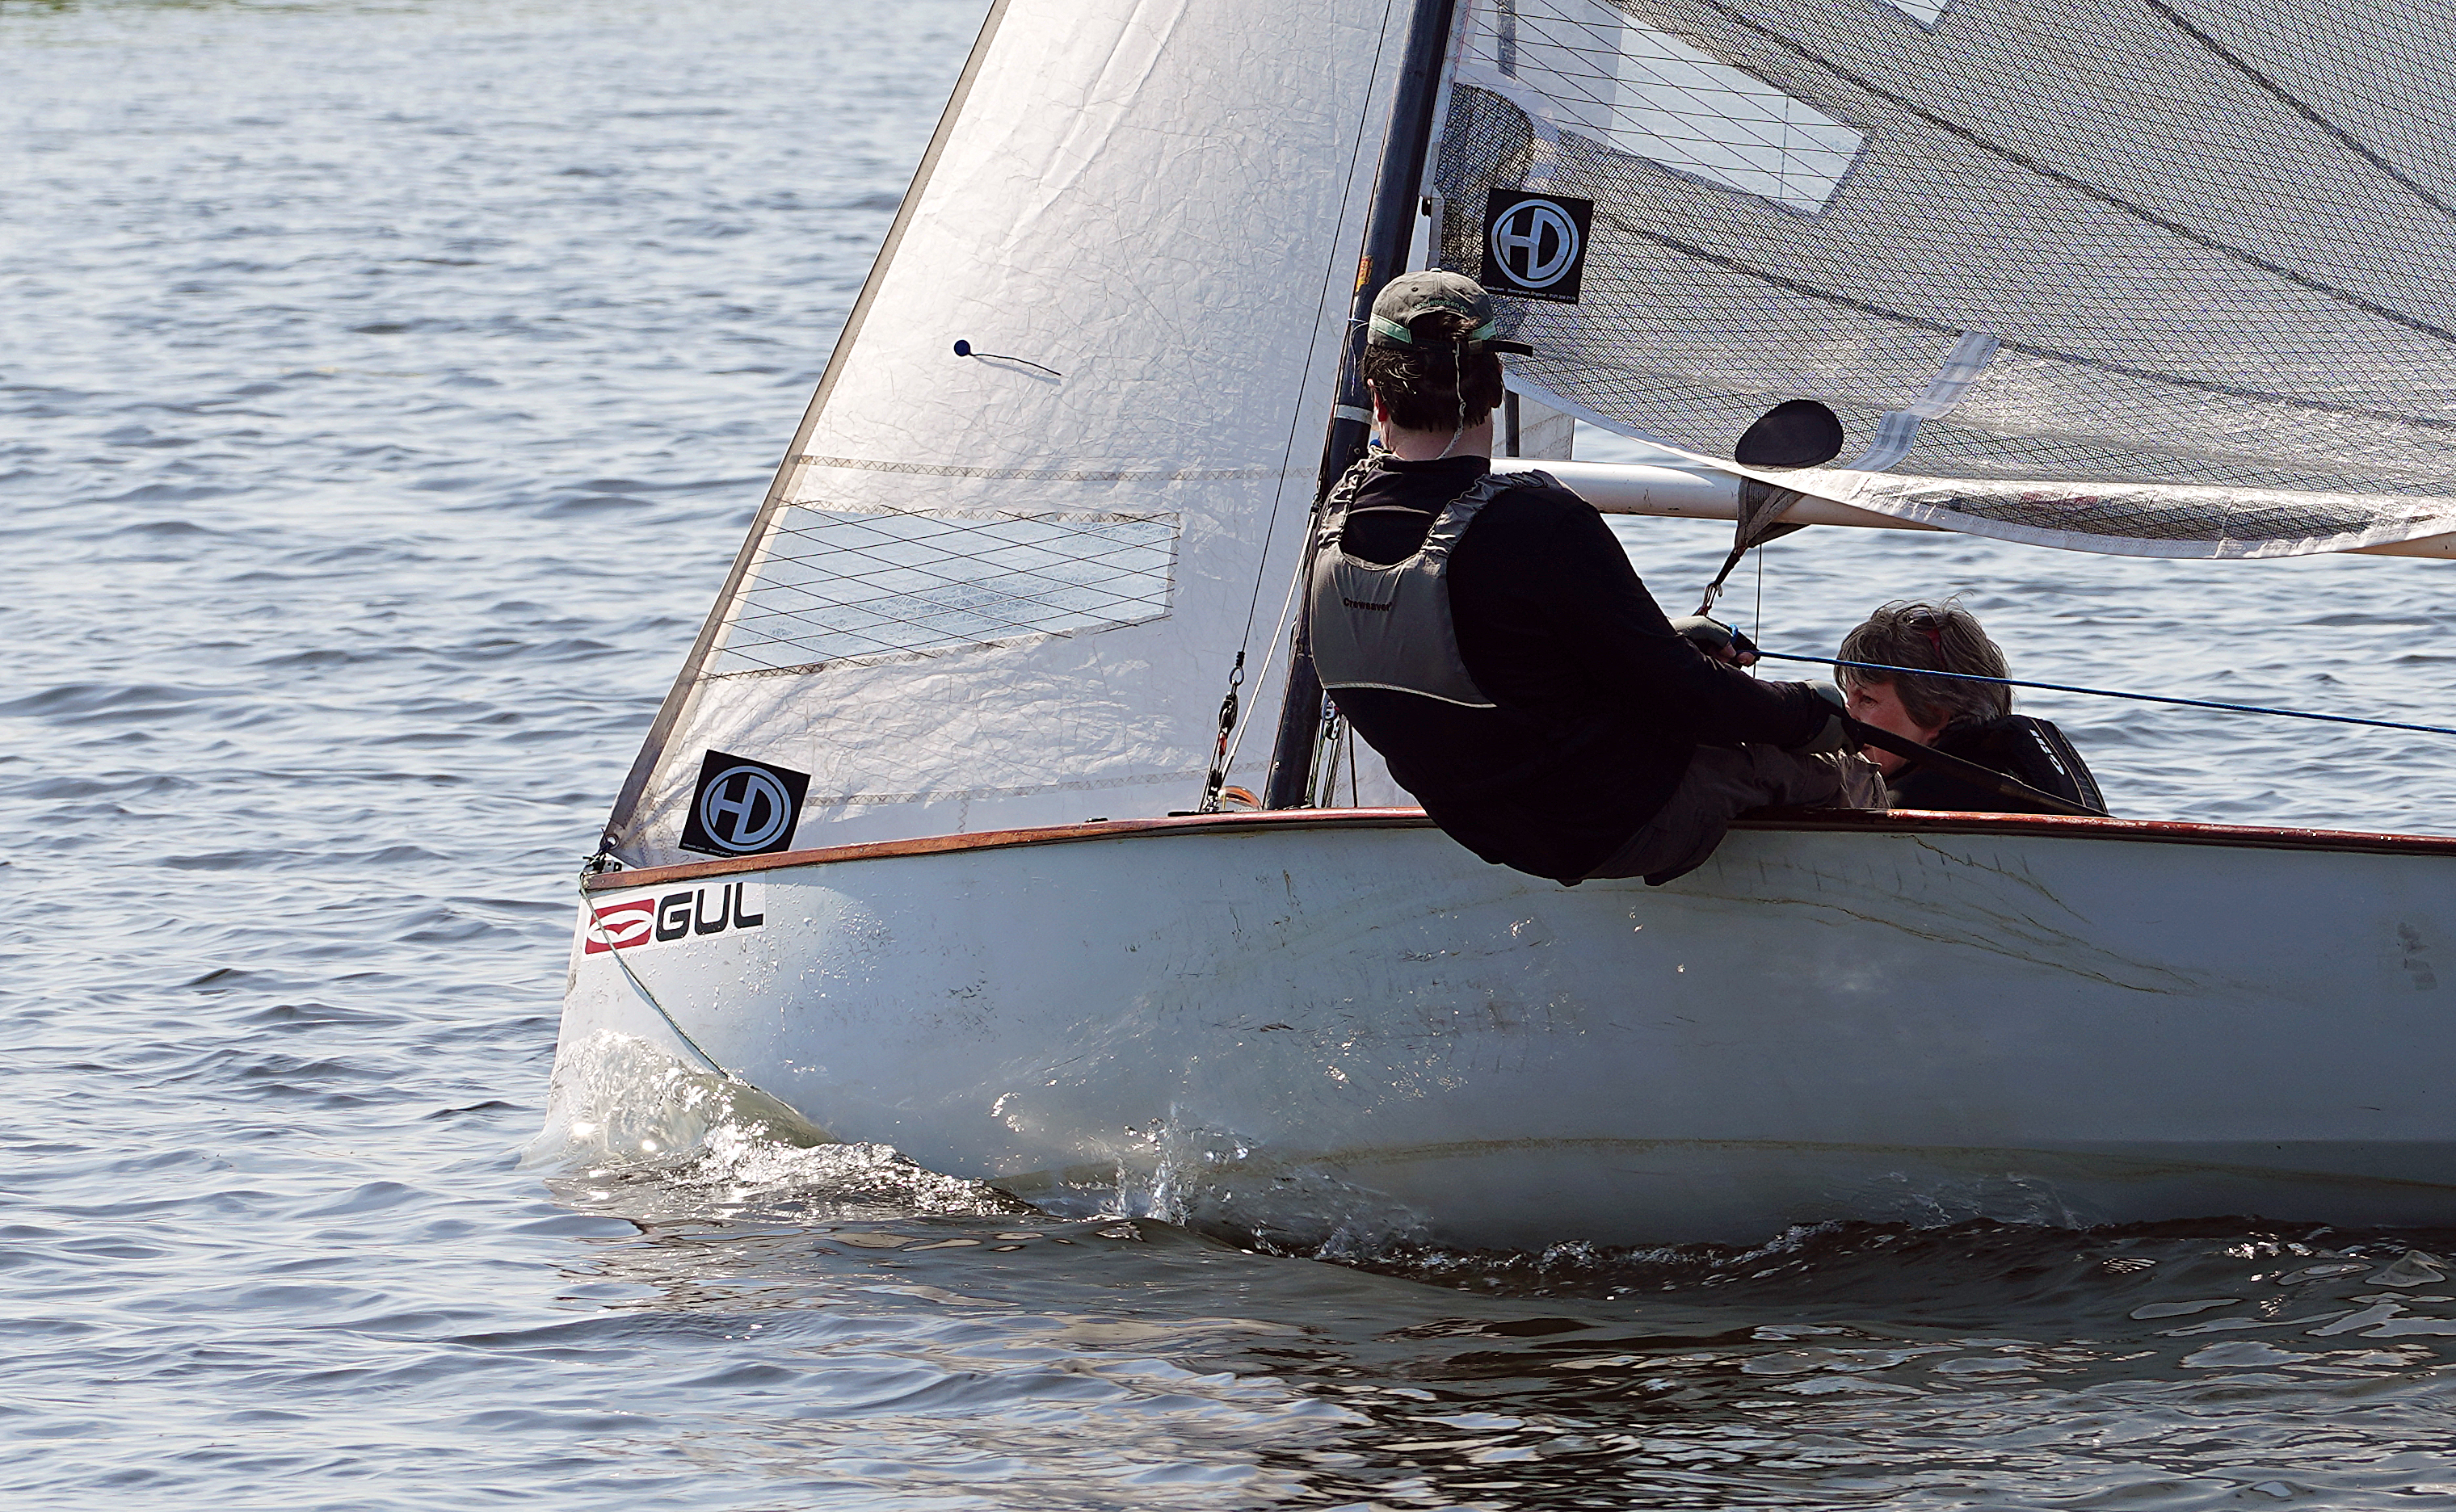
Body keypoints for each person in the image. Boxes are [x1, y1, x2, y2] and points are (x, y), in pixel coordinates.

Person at [1306, 271, 1884, 888]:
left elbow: (1490, 657)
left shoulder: (1333, 528)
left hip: (1490, 832)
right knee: (1838, 770)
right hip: (1619, 827)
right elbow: (1688, 696)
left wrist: (1662, 641)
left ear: (1378, 399)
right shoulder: (1541, 524)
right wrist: (1808, 710)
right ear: (1497, 387)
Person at [1837, 599, 2105, 814]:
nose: (1847, 716)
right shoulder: (2015, 756)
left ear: (1934, 713)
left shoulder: (1929, 797)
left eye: (1867, 700)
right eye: (1846, 699)